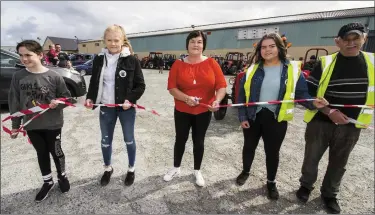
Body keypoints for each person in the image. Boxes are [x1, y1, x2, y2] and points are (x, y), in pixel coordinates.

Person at [236, 33, 328, 200]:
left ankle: (271, 181)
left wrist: (313, 103)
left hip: (276, 118)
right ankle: (245, 171)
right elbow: (241, 95)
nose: (267, 50)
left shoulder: (292, 70)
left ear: (280, 48)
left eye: (271, 46)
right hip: (253, 116)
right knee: (249, 146)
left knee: (272, 152)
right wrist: (242, 117)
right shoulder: (252, 69)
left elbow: (301, 93)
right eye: (263, 47)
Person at [297, 22, 374, 214]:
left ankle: (330, 194)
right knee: (311, 159)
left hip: (351, 125)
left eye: (355, 38)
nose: (351, 43)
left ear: (364, 39)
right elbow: (308, 93)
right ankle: (306, 186)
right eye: (346, 39)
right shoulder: (325, 63)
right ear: (337, 42)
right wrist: (330, 112)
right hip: (321, 123)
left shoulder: (372, 63)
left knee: (339, 162)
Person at [8, 40, 71, 202]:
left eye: (28, 55)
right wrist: (15, 126)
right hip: (32, 125)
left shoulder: (54, 77)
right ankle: (47, 181)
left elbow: (68, 99)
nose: (24, 59)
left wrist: (59, 102)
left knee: (56, 152)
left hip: (53, 124)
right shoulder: (18, 77)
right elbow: (14, 102)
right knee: (41, 153)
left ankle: (62, 176)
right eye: (21, 55)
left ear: (40, 55)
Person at [164, 30, 227, 187]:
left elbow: (221, 86)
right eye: (192, 41)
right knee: (180, 139)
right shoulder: (178, 65)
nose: (196, 45)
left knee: (198, 141)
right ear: (187, 44)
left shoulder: (212, 63)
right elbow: (172, 88)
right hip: (182, 110)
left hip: (203, 112)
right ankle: (176, 167)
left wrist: (217, 100)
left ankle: (197, 170)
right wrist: (186, 98)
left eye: (199, 42)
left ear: (203, 45)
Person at [85, 24, 146, 187]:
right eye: (109, 40)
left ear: (122, 40)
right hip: (106, 107)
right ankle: (107, 168)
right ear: (104, 41)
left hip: (125, 108)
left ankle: (131, 169)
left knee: (128, 139)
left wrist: (130, 100)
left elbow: (140, 86)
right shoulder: (99, 59)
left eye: (116, 40)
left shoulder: (132, 60)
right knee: (105, 140)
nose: (113, 43)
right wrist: (90, 98)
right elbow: (94, 82)